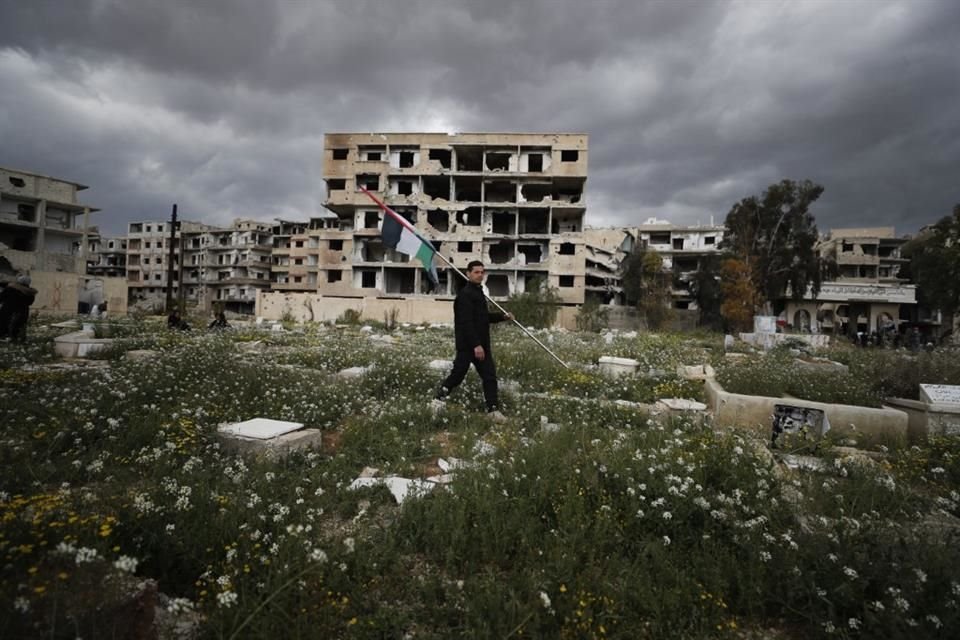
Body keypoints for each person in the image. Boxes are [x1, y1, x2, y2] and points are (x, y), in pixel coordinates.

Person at [435, 261, 513, 420]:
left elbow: (483, 318)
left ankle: (492, 411)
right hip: (468, 346)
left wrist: (502, 317)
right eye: (476, 272)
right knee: (458, 375)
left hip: (482, 344)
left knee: (489, 376)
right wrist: (476, 345)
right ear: (469, 273)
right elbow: (466, 323)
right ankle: (437, 402)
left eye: (482, 272)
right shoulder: (465, 295)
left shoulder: (479, 293)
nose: (480, 275)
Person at [0, 275, 38, 342]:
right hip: (22, 312)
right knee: (19, 326)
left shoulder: (11, 289)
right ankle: (17, 338)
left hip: (8, 310)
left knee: (5, 324)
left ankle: (6, 337)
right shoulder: (29, 293)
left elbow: (1, 297)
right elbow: (30, 302)